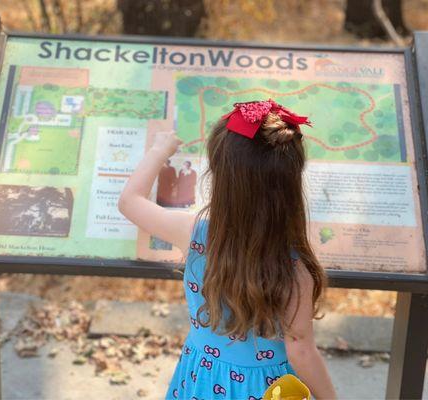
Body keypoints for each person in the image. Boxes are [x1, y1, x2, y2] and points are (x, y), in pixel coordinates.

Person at [118, 99, 337, 400]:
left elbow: (130, 201)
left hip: (203, 378)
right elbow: (300, 349)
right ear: (290, 183)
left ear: (221, 178)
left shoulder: (195, 234)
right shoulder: (295, 269)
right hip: (266, 389)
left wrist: (160, 150)